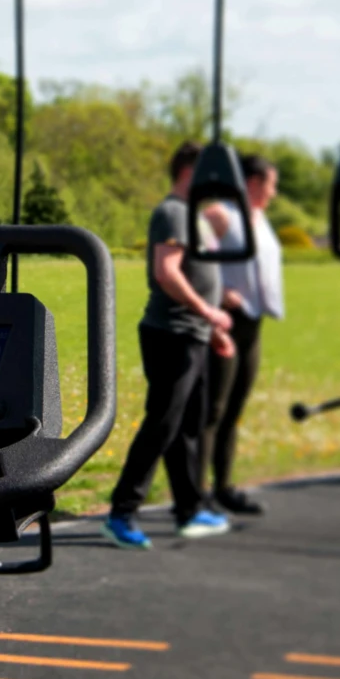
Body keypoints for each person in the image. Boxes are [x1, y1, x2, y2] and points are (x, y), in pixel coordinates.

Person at [103, 142, 238, 550]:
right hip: (171, 333)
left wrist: (211, 325)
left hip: (192, 334)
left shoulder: (193, 215)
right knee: (163, 423)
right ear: (189, 171)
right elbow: (167, 273)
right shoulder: (173, 213)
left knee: (187, 427)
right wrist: (209, 313)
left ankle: (189, 509)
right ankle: (121, 513)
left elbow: (196, 276)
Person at [203, 153, 284, 516]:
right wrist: (219, 293)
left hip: (254, 325)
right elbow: (188, 261)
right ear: (252, 182)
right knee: (213, 409)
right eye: (271, 184)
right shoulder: (219, 215)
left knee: (234, 408)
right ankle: (196, 492)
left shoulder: (260, 218)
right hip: (225, 323)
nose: (274, 192)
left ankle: (223, 487)